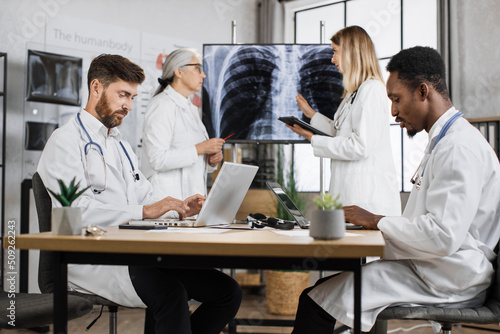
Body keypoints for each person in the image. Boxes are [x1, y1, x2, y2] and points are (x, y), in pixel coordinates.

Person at [291, 46, 500, 333]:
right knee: (322, 294)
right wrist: (375, 222)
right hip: (435, 267)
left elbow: (442, 236)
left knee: (315, 302)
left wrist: (377, 221)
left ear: (423, 91)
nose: (393, 111)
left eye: (396, 99)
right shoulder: (446, 140)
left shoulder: (458, 147)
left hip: (446, 276)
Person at [37, 54, 241, 334]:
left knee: (227, 291)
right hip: (91, 258)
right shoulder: (65, 141)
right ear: (96, 87)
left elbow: (146, 196)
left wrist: (180, 207)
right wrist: (144, 212)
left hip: (130, 250)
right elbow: (76, 212)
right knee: (170, 293)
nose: (129, 106)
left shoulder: (119, 145)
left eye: (132, 97)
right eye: (123, 95)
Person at [287, 26, 400, 216]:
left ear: (351, 52)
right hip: (351, 196)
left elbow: (360, 146)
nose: (332, 59)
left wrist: (312, 138)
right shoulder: (354, 93)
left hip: (367, 200)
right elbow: (339, 132)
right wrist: (311, 114)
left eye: (335, 52)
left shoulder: (371, 90)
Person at [141, 48, 224, 201]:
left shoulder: (190, 109)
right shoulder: (162, 105)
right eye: (197, 69)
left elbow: (193, 163)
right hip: (165, 204)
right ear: (179, 72)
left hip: (189, 203)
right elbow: (157, 159)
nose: (203, 75)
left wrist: (210, 160)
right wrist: (200, 149)